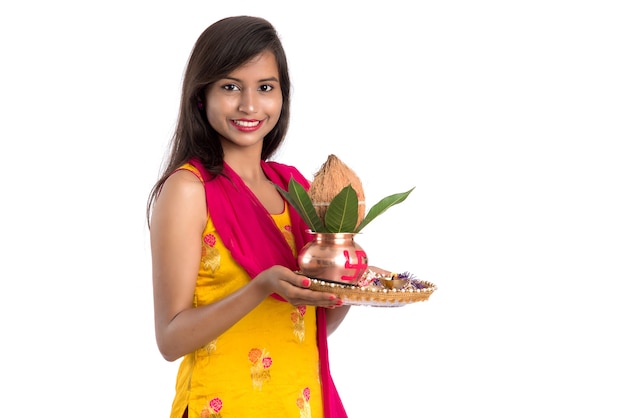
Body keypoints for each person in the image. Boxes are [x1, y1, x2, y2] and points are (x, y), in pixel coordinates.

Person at [146, 16, 350, 418]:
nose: (249, 105)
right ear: (201, 96)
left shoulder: (293, 188)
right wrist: (260, 287)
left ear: (282, 97)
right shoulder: (189, 190)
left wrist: (349, 283)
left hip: (298, 404)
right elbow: (170, 340)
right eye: (230, 87)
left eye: (265, 88)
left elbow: (305, 328)